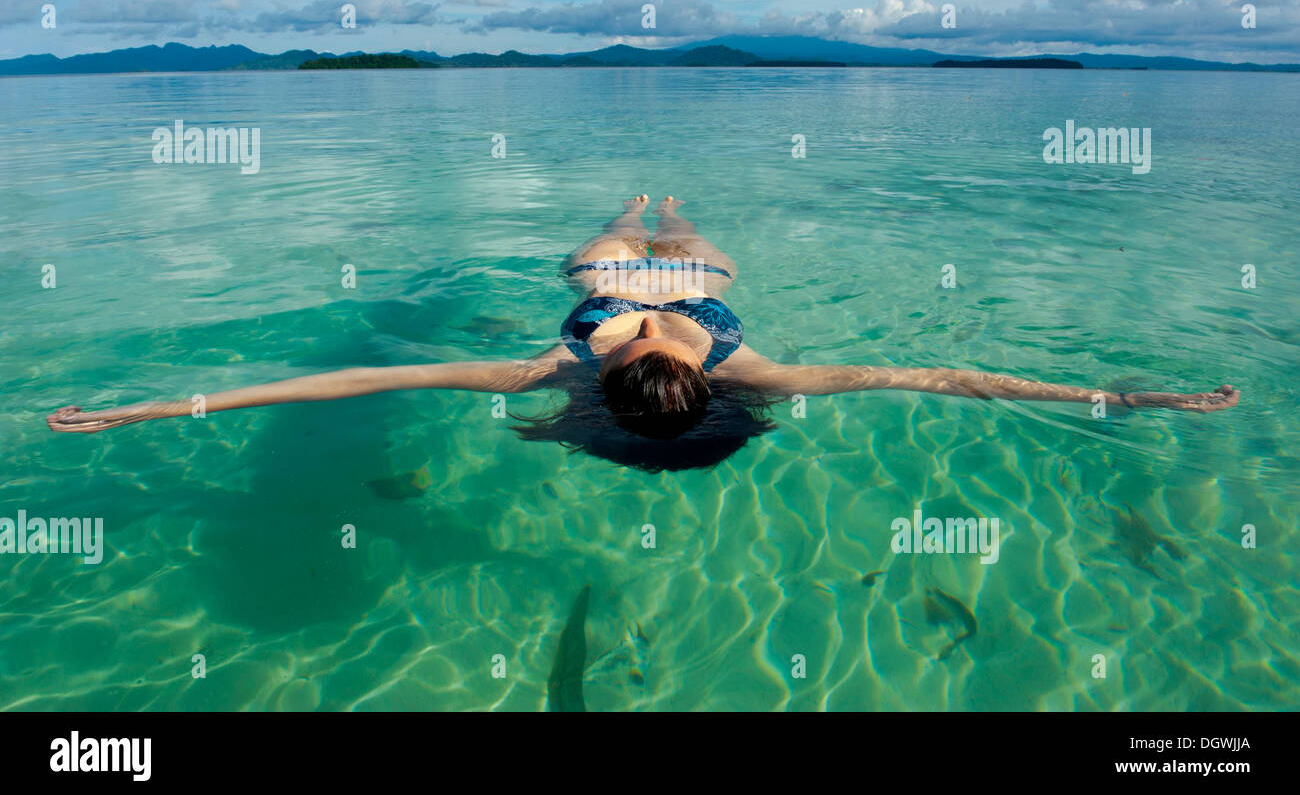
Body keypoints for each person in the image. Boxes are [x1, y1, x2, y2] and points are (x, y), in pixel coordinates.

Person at [47, 196, 1240, 472]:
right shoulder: (746, 359)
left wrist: (165, 404)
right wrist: (1125, 398)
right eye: (667, 353)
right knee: (681, 237)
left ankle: (640, 207)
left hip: (599, 277)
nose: (661, 341)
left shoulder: (560, 357)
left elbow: (362, 377)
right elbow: (936, 376)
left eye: (656, 353)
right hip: (705, 274)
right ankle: (651, 204)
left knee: (623, 236)